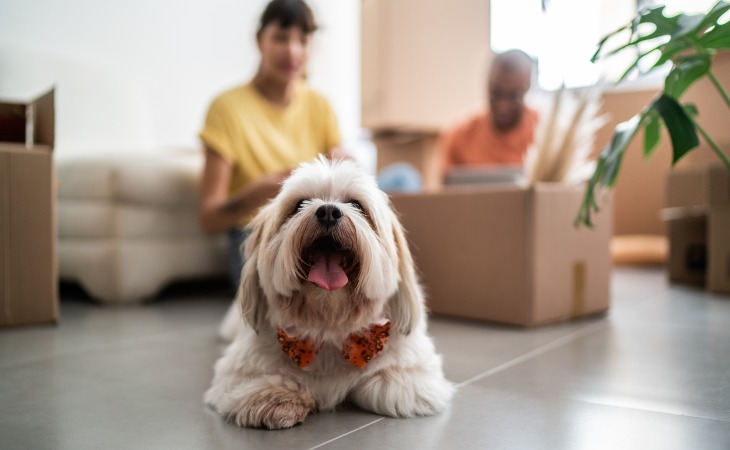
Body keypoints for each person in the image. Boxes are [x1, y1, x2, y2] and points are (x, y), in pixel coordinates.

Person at [199, 0, 341, 287]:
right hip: (257, 232)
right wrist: (257, 195)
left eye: (303, 40)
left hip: (319, 228)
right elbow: (209, 217)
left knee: (402, 178)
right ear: (259, 39)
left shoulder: (321, 106)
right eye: (281, 37)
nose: (293, 50)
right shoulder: (226, 109)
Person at [440, 49, 538, 174]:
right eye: (496, 93)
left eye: (513, 96)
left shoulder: (543, 133)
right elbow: (445, 189)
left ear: (527, 88)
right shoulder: (460, 136)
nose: (503, 105)